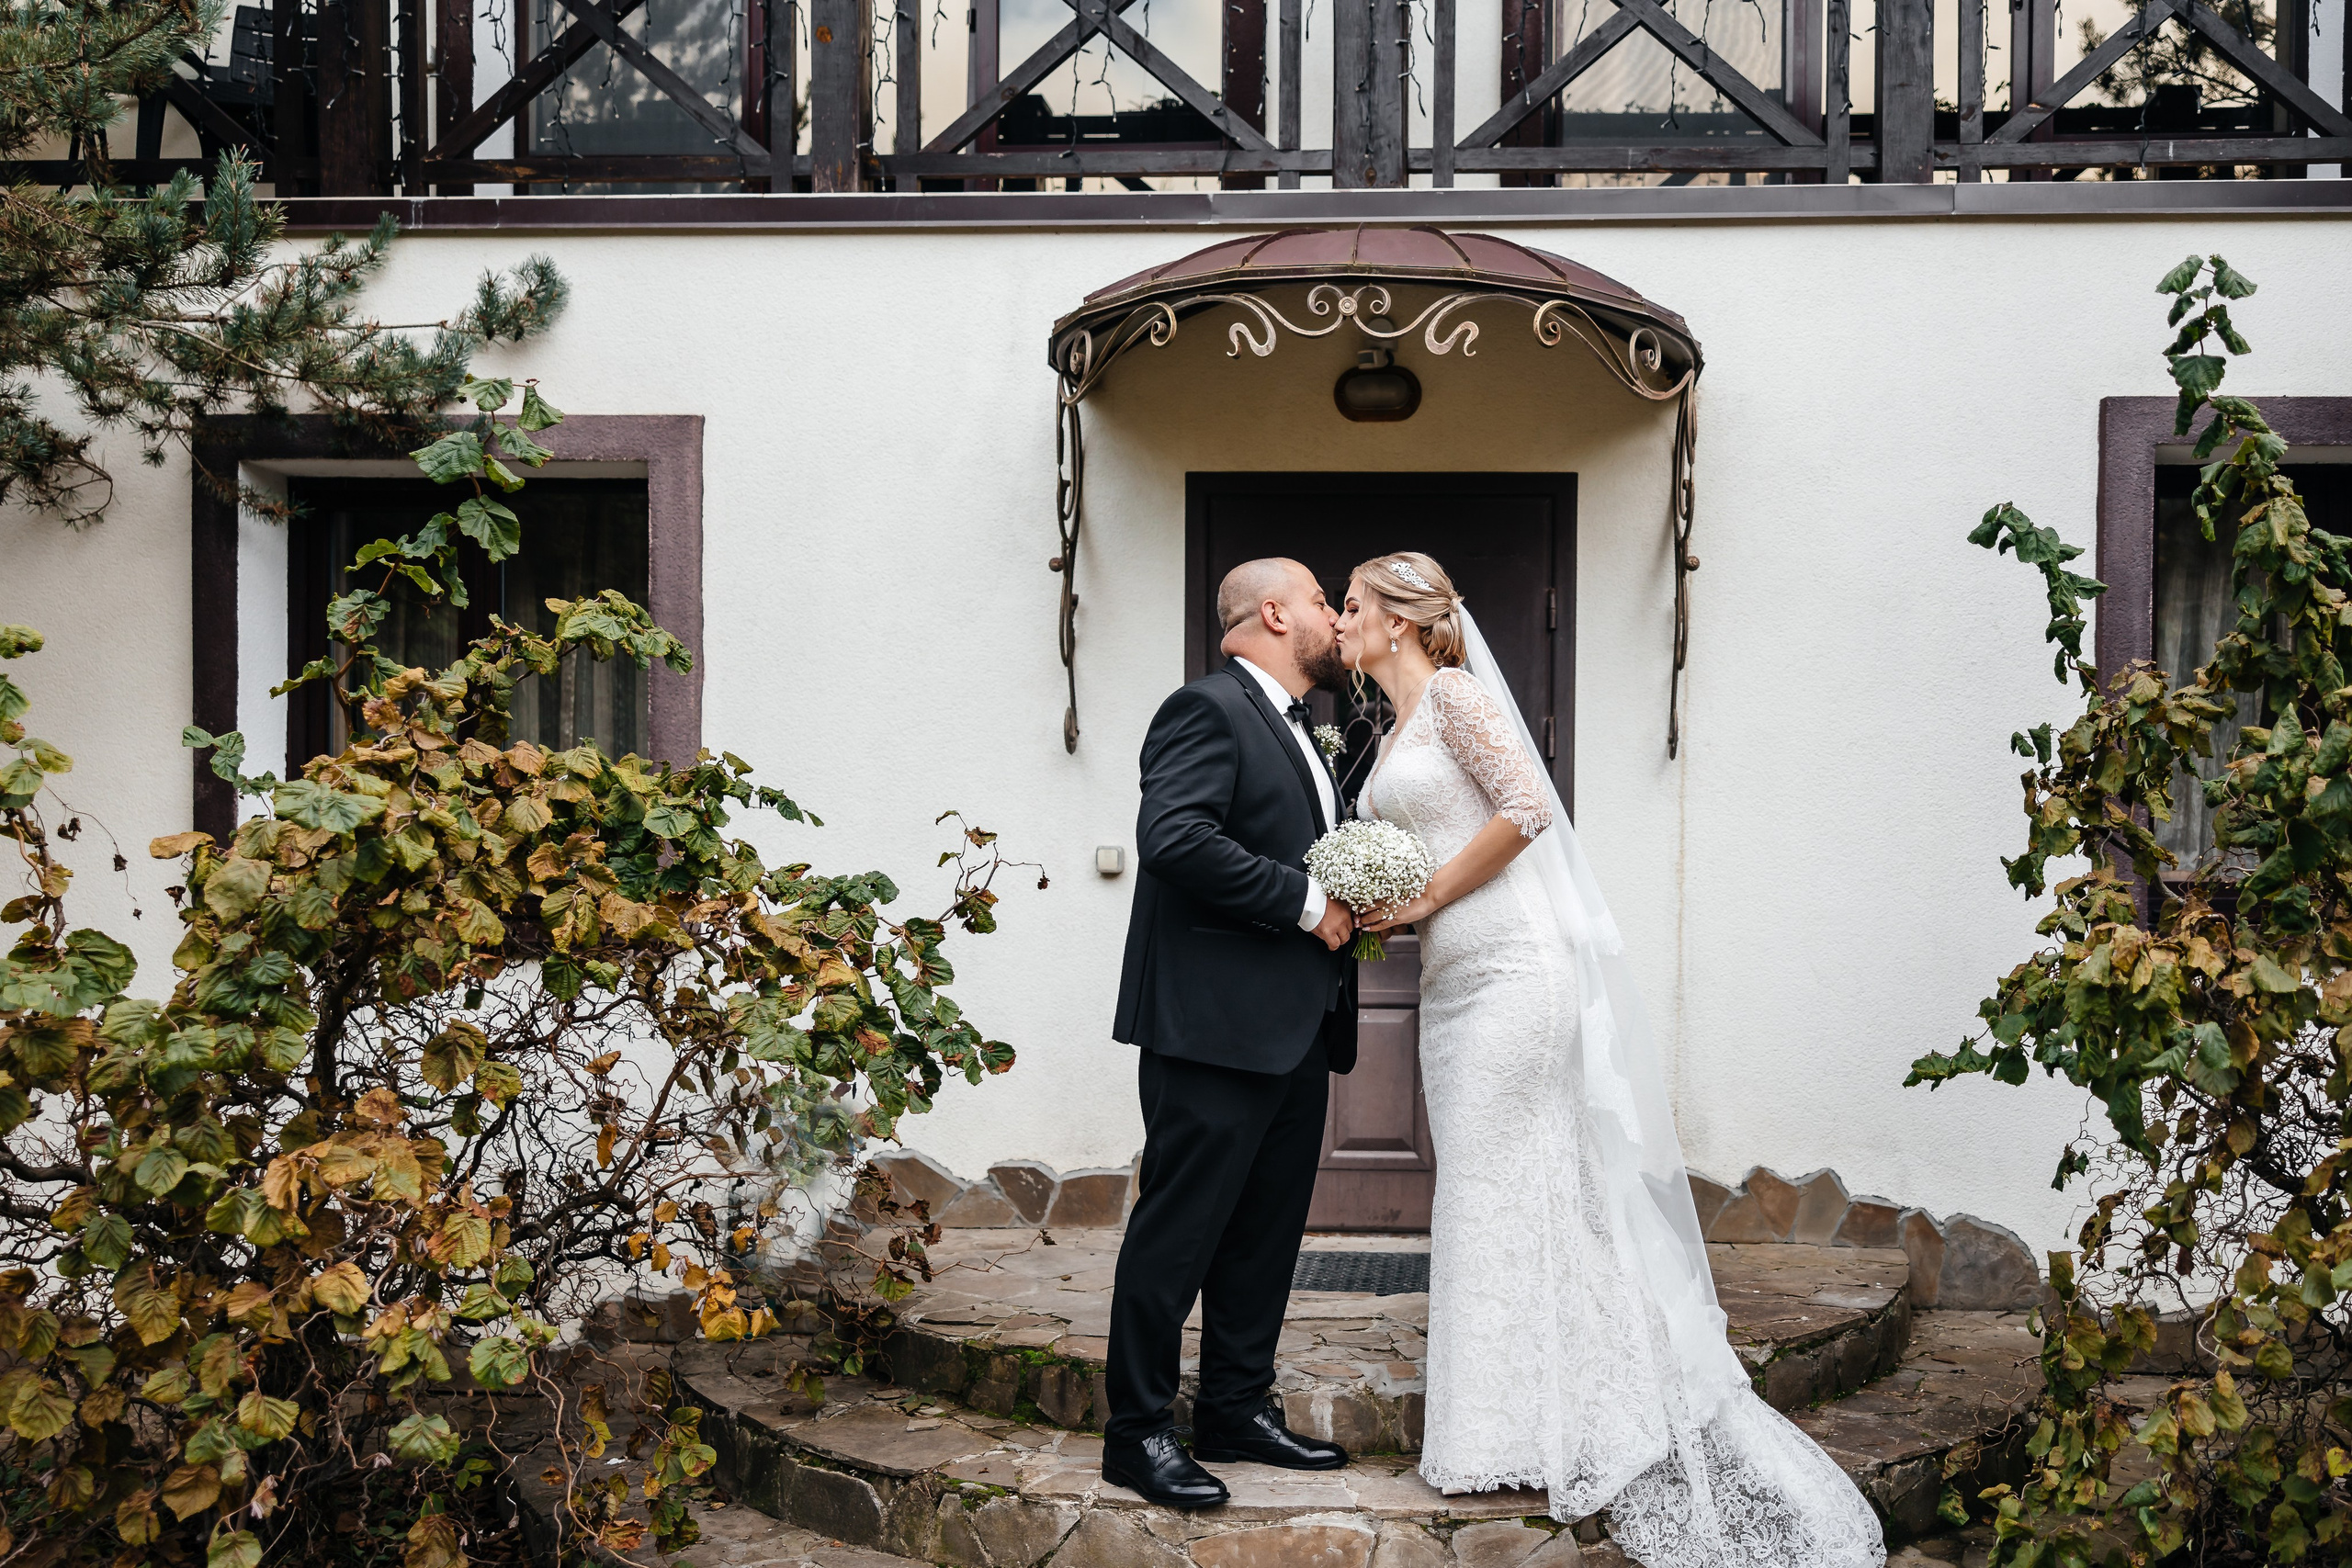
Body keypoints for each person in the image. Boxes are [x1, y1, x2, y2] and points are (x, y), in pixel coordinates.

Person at [1335, 552, 1885, 1568]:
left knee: (1491, 1185)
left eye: (1354, 604)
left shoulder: (1454, 695)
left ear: (1403, 622)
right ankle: (1523, 1411)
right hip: (1453, 980)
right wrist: (1384, 901)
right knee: (1504, 1186)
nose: (1338, 619)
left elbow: (1526, 809)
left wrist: (1421, 900)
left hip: (1513, 969)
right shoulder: (1393, 722)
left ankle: (1518, 1427)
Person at [1101, 557, 1361, 1510]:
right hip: (1209, 1027)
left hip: (1294, 1027)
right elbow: (1174, 837)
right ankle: (1136, 1434)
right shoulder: (1206, 708)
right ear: (1275, 611)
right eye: (1327, 603)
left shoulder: (1306, 727)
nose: (1337, 620)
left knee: (1263, 1234)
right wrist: (1306, 903)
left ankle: (1236, 1410)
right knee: (1179, 1233)